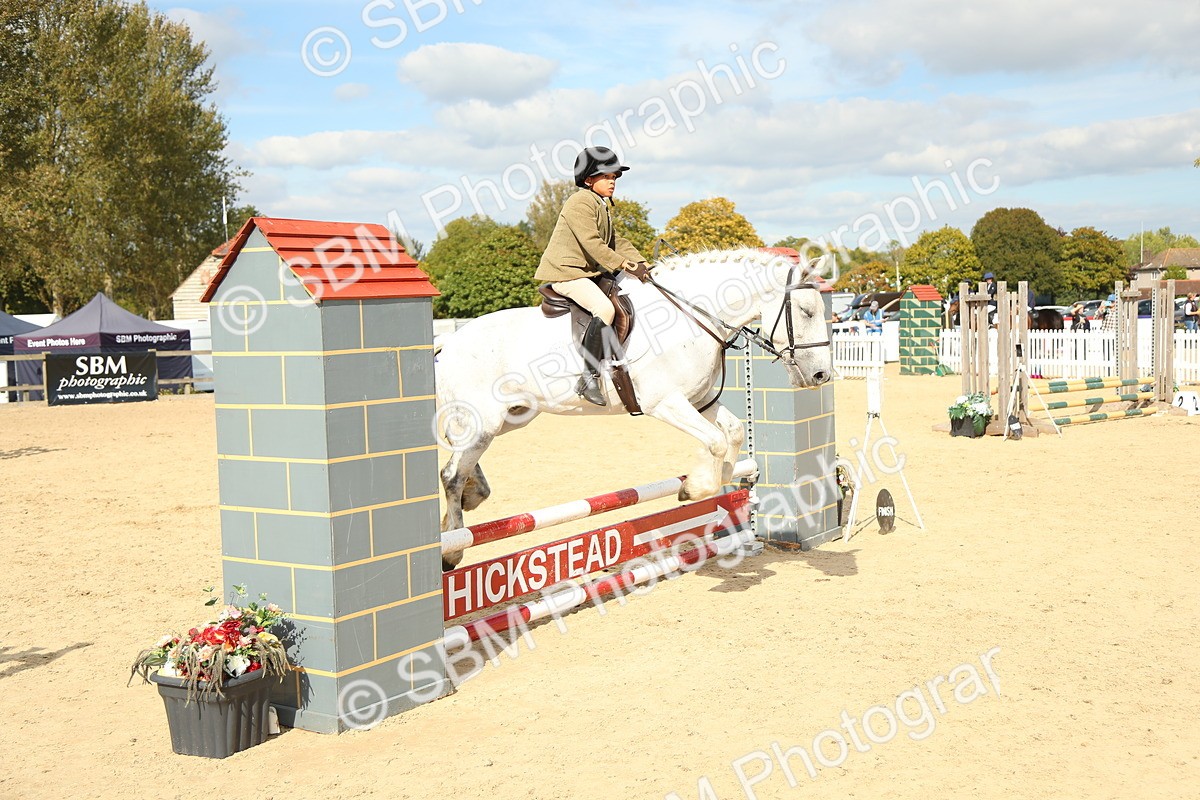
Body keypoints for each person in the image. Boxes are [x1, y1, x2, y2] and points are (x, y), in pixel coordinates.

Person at [534, 146, 649, 406]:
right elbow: (593, 244)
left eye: (615, 178)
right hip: (566, 273)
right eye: (607, 177)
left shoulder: (600, 204)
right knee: (604, 309)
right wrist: (627, 266)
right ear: (589, 180)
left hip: (586, 273)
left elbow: (616, 242)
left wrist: (643, 264)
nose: (613, 182)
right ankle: (588, 377)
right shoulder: (579, 201)